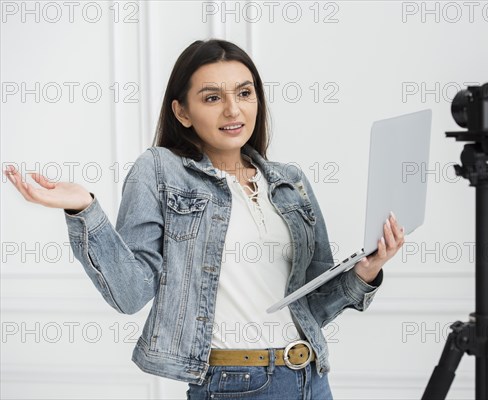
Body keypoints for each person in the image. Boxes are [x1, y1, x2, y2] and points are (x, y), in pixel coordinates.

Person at [3, 39, 405, 399]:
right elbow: (129, 293)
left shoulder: (290, 180)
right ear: (182, 111)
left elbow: (313, 304)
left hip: (312, 377)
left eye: (245, 93)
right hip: (235, 384)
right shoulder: (159, 170)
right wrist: (84, 209)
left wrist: (366, 272)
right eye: (212, 98)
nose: (234, 109)